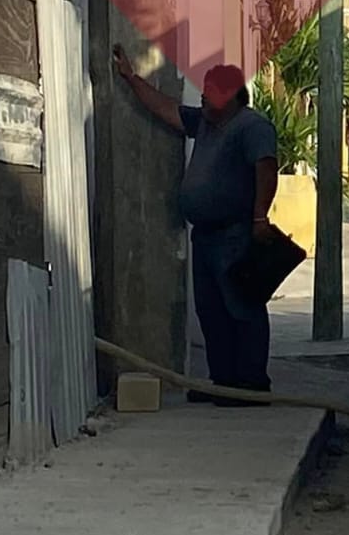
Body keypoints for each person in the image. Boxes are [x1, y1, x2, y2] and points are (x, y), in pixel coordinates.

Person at [111, 46, 279, 406]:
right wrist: (130, 77)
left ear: (231, 96)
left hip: (236, 232)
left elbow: (266, 169)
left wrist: (259, 218)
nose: (202, 96)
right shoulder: (205, 122)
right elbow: (165, 108)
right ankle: (223, 382)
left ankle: (251, 384)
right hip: (205, 236)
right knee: (211, 310)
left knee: (242, 307)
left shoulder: (252, 126)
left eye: (210, 92)